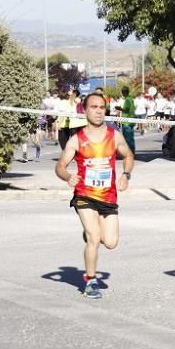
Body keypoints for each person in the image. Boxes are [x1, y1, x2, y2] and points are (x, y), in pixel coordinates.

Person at [55, 92, 134, 298]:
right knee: (94, 237)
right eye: (94, 107)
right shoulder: (76, 140)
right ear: (85, 110)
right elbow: (60, 166)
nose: (98, 111)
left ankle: (90, 232)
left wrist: (126, 174)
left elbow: (128, 155)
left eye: (101, 107)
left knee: (110, 242)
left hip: (108, 197)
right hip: (85, 195)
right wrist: (67, 176)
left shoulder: (114, 136)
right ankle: (90, 281)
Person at [114, 86, 136, 155]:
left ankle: (130, 153)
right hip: (130, 120)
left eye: (122, 92)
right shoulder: (130, 99)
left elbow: (126, 110)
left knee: (128, 139)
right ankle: (131, 152)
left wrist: (119, 108)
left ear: (123, 92)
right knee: (130, 138)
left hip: (127, 121)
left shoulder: (127, 100)